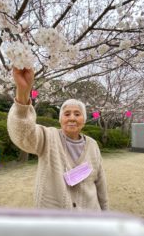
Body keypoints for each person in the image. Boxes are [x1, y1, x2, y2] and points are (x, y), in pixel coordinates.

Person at [7, 67, 108, 211]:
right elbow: (23, 134)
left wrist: (105, 214)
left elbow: (100, 183)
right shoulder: (48, 137)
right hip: (53, 219)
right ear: (60, 120)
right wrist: (23, 93)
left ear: (84, 120)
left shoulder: (93, 145)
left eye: (77, 114)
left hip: (89, 218)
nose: (72, 117)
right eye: (67, 114)